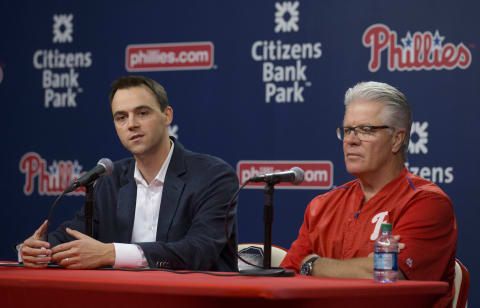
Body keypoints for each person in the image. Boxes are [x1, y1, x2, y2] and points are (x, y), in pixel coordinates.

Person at [20, 75, 239, 271]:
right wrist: (38, 250)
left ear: (167, 115)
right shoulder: (110, 180)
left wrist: (111, 253)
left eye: (142, 113)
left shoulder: (213, 176)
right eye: (121, 117)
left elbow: (199, 250)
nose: (131, 124)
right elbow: (73, 234)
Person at [280, 81, 457, 307]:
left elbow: (387, 278)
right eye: (347, 130)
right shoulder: (322, 205)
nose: (351, 140)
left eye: (366, 130)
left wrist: (312, 264)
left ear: (396, 139)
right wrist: (364, 266)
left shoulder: (426, 203)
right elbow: (286, 276)